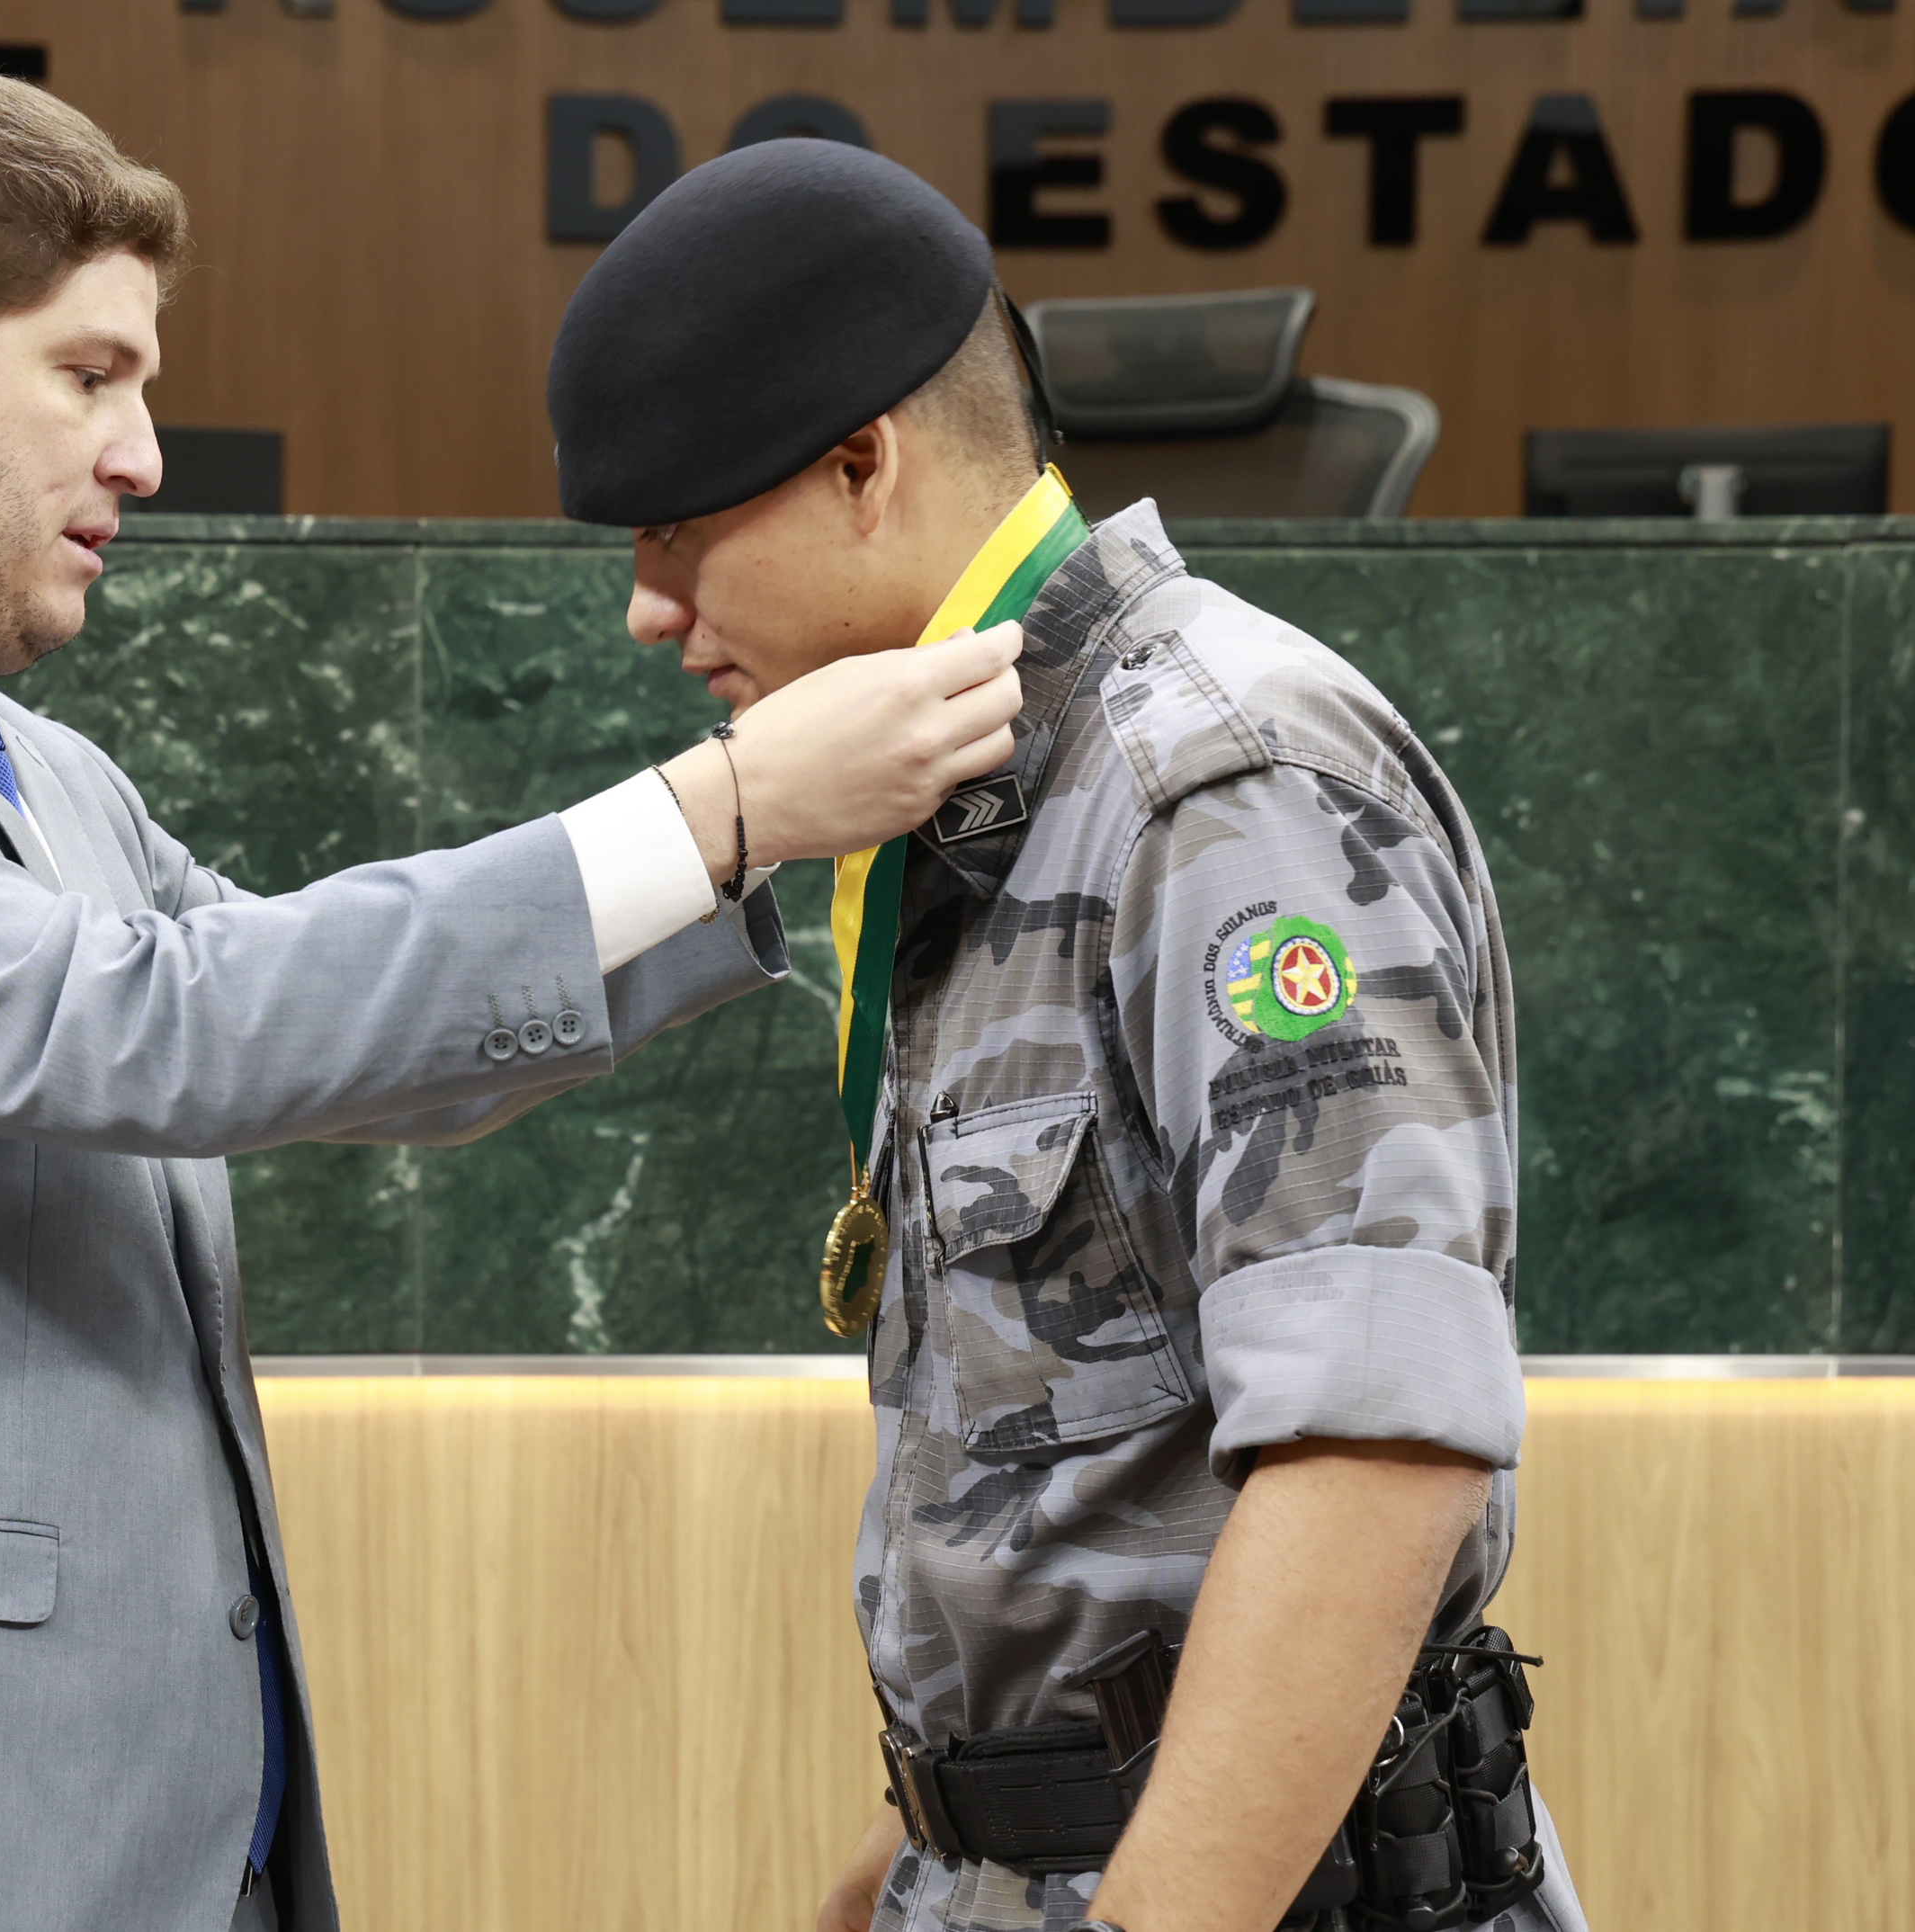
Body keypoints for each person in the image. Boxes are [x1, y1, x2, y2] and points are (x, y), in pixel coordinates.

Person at [0, 68, 1024, 1932]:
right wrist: (722, 807)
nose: (141, 454)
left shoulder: (42, 772)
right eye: (89, 374)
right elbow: (172, 1024)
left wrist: (735, 858)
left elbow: (337, 1038)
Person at [548, 139, 1591, 1932]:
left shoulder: (1218, 784)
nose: (647, 607)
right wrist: (917, 1864)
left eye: (675, 529)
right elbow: (1087, 1494)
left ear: (862, 465)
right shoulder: (995, 799)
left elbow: (1370, 1453)